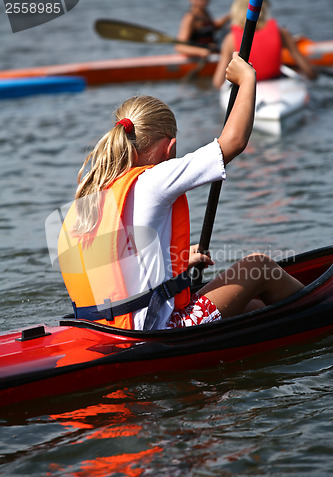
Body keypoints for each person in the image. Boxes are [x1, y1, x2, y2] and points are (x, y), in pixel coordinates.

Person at [58, 53, 303, 331]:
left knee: (253, 307)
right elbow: (233, 142)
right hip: (159, 328)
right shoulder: (154, 179)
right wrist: (247, 79)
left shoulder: (98, 190)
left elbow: (123, 261)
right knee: (260, 267)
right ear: (170, 148)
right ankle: (318, 310)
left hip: (111, 327)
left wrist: (178, 259)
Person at [213, 0, 317, 88]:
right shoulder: (281, 32)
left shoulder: (230, 40)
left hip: (247, 87)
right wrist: (314, 74)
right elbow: (309, 72)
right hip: (276, 82)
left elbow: (218, 82)